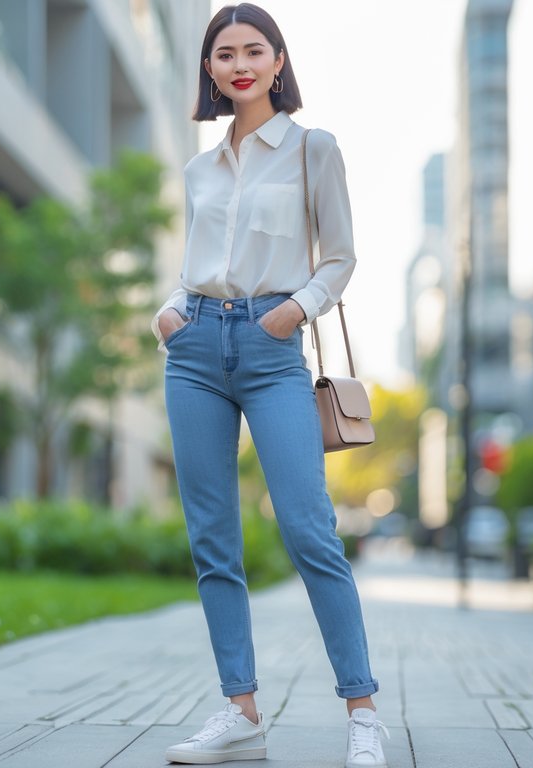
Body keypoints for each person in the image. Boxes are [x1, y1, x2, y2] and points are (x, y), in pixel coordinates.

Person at [151, 5, 387, 767]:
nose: (240, 62)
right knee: (212, 539)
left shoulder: (313, 148)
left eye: (255, 50)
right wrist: (167, 311)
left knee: (309, 530)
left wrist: (293, 312)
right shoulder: (199, 167)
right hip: (192, 350)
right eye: (225, 53)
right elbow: (194, 264)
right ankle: (239, 711)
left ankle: (362, 712)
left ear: (279, 62)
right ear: (210, 70)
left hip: (271, 344)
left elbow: (341, 257)